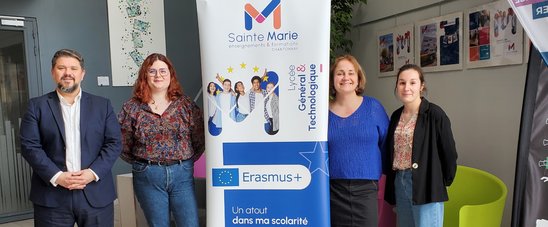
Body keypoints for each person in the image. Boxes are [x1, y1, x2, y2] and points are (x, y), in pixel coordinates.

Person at [20, 49, 122, 226]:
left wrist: (92, 173)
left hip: (95, 193)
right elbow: (30, 146)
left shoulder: (102, 105)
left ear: (82, 74)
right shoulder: (36, 106)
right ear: (53, 72)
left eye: (74, 68)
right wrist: (57, 176)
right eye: (61, 68)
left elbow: (114, 143)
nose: (68, 73)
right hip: (51, 195)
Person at [118, 53, 205, 227]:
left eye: (163, 71)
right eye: (152, 71)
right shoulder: (131, 107)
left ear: (171, 75)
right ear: (144, 76)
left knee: (190, 223)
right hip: (148, 174)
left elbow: (199, 138)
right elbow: (123, 143)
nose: (158, 76)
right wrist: (144, 162)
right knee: (158, 224)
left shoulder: (185, 105)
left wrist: (183, 160)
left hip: (182, 174)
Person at [383, 64, 458, 227]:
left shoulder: (435, 114)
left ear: (421, 86)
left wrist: (438, 181)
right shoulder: (396, 115)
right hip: (400, 182)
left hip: (426, 184)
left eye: (412, 82)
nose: (406, 87)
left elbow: (449, 154)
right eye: (402, 83)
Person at [328, 54, 389, 227]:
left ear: (358, 78)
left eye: (351, 72)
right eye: (340, 73)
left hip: (366, 189)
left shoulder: (373, 108)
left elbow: (386, 145)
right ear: (332, 79)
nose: (346, 77)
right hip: (332, 191)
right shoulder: (320, 113)